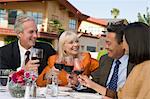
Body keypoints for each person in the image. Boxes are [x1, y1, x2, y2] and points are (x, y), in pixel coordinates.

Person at [78, 21, 134, 98]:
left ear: (123, 44)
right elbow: (93, 83)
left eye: (109, 43)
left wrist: (93, 85)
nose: (106, 47)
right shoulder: (105, 59)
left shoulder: (135, 64)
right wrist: (79, 82)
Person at [117, 22, 150, 99]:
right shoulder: (141, 66)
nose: (123, 46)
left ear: (133, 42)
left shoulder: (144, 69)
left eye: (124, 40)